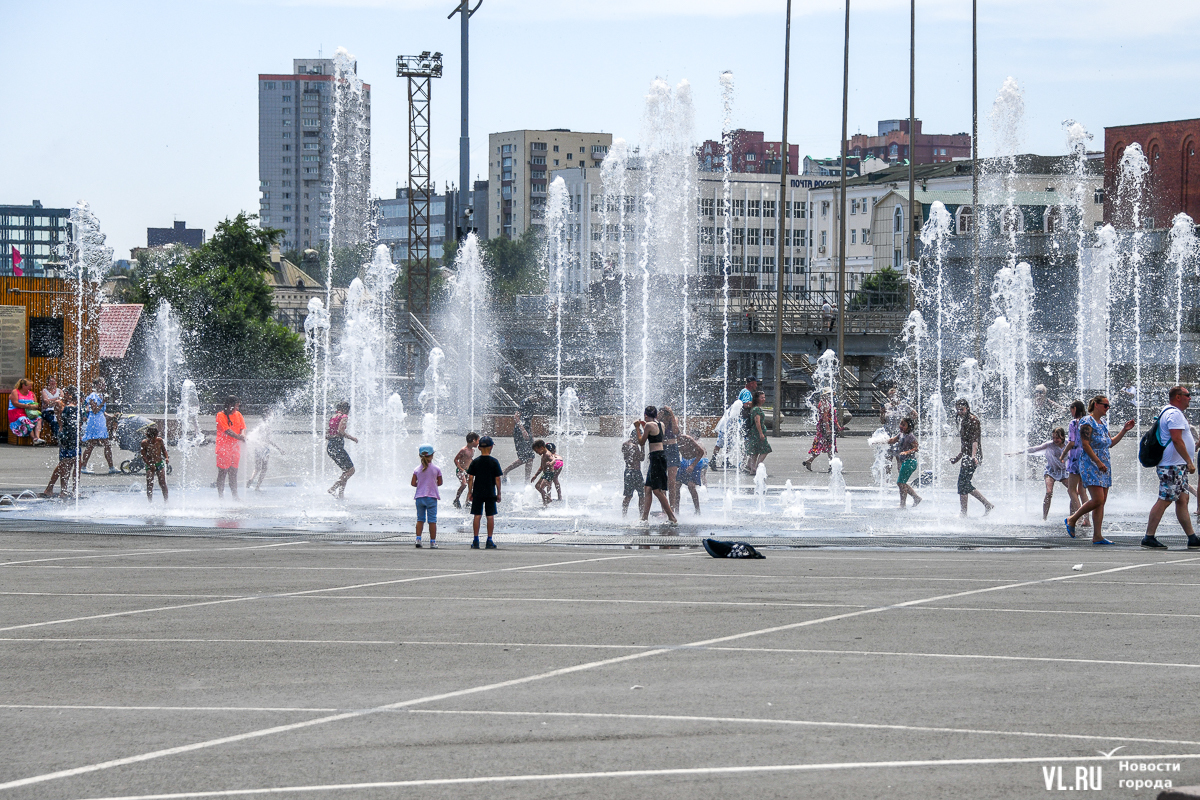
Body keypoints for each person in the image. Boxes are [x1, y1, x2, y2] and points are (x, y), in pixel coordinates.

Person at [1064, 395, 1136, 544]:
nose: (1107, 409)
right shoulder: (1086, 421)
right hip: (1091, 464)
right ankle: (1072, 519)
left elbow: (1109, 443)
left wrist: (1124, 430)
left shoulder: (1102, 423)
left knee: (1101, 502)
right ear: (1096, 405)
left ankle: (1097, 536)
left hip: (1104, 464)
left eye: (1108, 406)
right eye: (1105, 405)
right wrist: (1097, 462)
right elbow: (1085, 444)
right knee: (1098, 499)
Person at [1141, 386, 1199, 550]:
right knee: (1165, 499)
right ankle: (1148, 537)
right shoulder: (1174, 414)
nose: (1190, 398)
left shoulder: (1172, 413)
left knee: (1182, 500)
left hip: (1176, 465)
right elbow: (1176, 439)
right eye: (1188, 395)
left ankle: (1192, 537)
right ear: (1178, 397)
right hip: (1172, 466)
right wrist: (1189, 461)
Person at [1007, 428, 1069, 521]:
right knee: (1048, 493)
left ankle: (1075, 515)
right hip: (1050, 471)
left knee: (1074, 493)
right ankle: (1044, 518)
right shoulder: (1049, 444)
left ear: (1063, 437)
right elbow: (1034, 449)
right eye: (1053, 438)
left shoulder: (1069, 444)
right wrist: (1018, 452)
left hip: (1063, 472)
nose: (1055, 440)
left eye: (1057, 438)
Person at [949, 398, 995, 517]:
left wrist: (974, 456)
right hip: (967, 456)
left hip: (973, 456)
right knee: (963, 483)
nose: (960, 412)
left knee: (963, 483)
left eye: (962, 409)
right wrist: (957, 458)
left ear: (967, 408)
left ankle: (968, 511)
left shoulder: (973, 420)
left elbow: (974, 441)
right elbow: (965, 444)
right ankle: (984, 505)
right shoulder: (964, 420)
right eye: (958, 409)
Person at [634, 406, 678, 524]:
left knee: (657, 490)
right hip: (659, 456)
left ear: (646, 415)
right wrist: (644, 427)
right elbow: (654, 436)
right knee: (647, 488)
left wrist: (638, 428)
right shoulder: (660, 424)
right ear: (656, 415)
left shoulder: (649, 425)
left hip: (656, 458)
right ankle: (644, 519)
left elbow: (641, 442)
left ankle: (672, 517)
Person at [40, 386, 79, 498]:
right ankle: (53, 488)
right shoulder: (59, 403)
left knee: (69, 462)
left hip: (70, 433)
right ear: (66, 394)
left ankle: (55, 488)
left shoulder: (69, 404)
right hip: (63, 432)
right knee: (63, 462)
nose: (71, 397)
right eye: (70, 395)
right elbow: (62, 418)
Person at [466, 435, 503, 549]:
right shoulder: (494, 462)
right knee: (490, 516)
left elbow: (471, 477)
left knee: (477, 515)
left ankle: (476, 540)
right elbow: (497, 478)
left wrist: (469, 492)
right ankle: (489, 540)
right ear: (491, 447)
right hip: (490, 492)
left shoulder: (475, 462)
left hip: (477, 492)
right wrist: (499, 492)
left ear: (479, 448)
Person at [1064, 400, 1091, 529]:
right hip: (1086, 456)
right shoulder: (1088, 421)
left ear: (1074, 409)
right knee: (1082, 490)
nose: (1070, 412)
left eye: (1071, 409)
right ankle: (1087, 519)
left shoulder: (1074, 423)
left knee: (1071, 490)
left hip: (1075, 457)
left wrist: (1063, 454)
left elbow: (1072, 442)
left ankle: (1078, 516)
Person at [79, 379, 116, 473]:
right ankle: (83, 467)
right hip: (95, 421)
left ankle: (111, 467)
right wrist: (103, 402)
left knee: (105, 444)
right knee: (93, 443)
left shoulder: (102, 395)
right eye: (101, 384)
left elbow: (102, 411)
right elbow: (95, 411)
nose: (103, 386)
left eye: (104, 384)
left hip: (100, 421)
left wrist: (112, 417)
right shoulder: (93, 396)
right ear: (96, 385)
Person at [411, 443, 443, 548]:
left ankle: (418, 540)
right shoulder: (436, 469)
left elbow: (412, 483)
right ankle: (433, 542)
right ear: (432, 455)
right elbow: (440, 482)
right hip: (432, 497)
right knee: (432, 520)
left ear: (420, 455)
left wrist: (420, 484)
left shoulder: (416, 470)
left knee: (420, 519)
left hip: (420, 497)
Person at [325, 400, 358, 499]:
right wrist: (353, 438)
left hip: (331, 447)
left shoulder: (333, 417)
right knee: (351, 470)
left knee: (346, 471)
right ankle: (333, 488)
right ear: (346, 409)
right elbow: (340, 430)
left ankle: (341, 495)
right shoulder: (343, 417)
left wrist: (332, 437)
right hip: (337, 446)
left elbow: (327, 434)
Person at [803, 388, 840, 472]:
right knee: (828, 446)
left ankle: (811, 461)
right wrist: (827, 429)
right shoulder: (824, 404)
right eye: (829, 394)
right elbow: (825, 417)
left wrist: (836, 425)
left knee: (825, 446)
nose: (830, 396)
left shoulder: (825, 403)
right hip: (825, 428)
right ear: (825, 395)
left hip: (825, 427)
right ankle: (831, 465)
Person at [888, 416, 922, 509]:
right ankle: (916, 497)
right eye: (901, 424)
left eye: (904, 425)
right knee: (902, 482)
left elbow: (916, 447)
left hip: (910, 462)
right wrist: (879, 441)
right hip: (906, 462)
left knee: (901, 483)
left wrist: (906, 452)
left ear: (909, 427)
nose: (901, 426)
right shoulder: (901, 434)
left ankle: (903, 504)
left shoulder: (910, 436)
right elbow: (892, 440)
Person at [245, 416, 285, 493]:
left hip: (257, 448)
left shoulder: (259, 426)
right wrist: (279, 449)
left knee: (257, 468)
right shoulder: (267, 427)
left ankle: (251, 478)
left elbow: (256, 438)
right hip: (265, 449)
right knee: (264, 468)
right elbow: (268, 440)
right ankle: (257, 486)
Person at [880, 387, 913, 476]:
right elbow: (882, 421)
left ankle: (901, 479)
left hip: (900, 436)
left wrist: (908, 426)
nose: (892, 397)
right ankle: (886, 481)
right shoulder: (886, 406)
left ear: (898, 395)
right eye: (890, 395)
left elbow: (915, 414)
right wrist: (882, 413)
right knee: (888, 458)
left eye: (893, 395)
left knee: (900, 458)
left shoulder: (903, 406)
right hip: (888, 435)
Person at [502, 408, 535, 483]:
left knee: (530, 458)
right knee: (523, 458)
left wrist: (532, 435)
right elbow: (516, 416)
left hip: (527, 434)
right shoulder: (525, 403)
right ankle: (504, 471)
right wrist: (523, 431)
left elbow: (529, 422)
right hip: (520, 434)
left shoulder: (533, 406)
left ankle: (527, 481)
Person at [8, 378, 44, 444]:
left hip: (28, 412)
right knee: (25, 420)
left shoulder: (31, 393)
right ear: (23, 385)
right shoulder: (15, 392)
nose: (31, 387)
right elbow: (15, 403)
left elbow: (36, 405)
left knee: (39, 419)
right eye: (29, 386)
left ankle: (37, 437)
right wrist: (27, 406)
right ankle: (34, 438)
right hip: (16, 412)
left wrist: (34, 406)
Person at [660, 406, 682, 511]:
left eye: (668, 414)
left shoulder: (674, 419)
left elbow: (675, 431)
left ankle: (672, 508)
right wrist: (659, 420)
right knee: (662, 481)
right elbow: (658, 434)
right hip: (662, 449)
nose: (666, 417)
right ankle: (664, 509)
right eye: (665, 414)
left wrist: (672, 415)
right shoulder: (659, 421)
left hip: (672, 449)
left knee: (672, 482)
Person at [678, 441, 709, 515]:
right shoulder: (672, 439)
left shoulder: (687, 439)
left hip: (696, 462)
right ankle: (676, 511)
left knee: (691, 486)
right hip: (684, 462)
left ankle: (697, 510)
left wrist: (692, 465)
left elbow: (702, 452)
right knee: (676, 485)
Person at [140, 425, 169, 503]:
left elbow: (164, 450)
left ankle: (166, 501)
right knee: (150, 483)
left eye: (154, 438)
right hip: (150, 464)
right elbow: (143, 455)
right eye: (151, 438)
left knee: (162, 482)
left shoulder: (159, 440)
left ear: (157, 435)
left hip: (159, 463)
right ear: (147, 436)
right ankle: (150, 502)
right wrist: (149, 465)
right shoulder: (144, 443)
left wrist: (166, 457)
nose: (152, 440)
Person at [621, 426, 645, 518]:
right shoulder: (635, 446)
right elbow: (642, 458)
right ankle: (641, 516)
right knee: (642, 494)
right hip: (635, 472)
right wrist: (642, 447)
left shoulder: (625, 444)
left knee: (628, 495)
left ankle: (624, 516)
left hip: (627, 472)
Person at [746, 391, 772, 473]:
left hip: (754, 432)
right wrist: (761, 433)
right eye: (762, 397)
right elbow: (757, 422)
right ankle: (757, 467)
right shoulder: (756, 409)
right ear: (757, 399)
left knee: (756, 451)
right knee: (766, 449)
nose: (763, 399)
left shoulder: (755, 408)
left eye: (764, 397)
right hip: (757, 432)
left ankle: (753, 468)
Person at [452, 432, 480, 509]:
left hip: (468, 470)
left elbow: (470, 459)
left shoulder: (473, 450)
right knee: (464, 484)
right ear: (473, 440)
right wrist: (460, 468)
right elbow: (455, 459)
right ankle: (456, 500)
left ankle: (467, 502)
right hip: (460, 470)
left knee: (472, 485)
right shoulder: (464, 450)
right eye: (478, 440)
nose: (478, 443)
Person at [40, 376, 62, 442]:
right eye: (51, 381)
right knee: (54, 420)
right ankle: (58, 438)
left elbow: (62, 400)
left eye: (54, 381)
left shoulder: (59, 390)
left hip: (58, 410)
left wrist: (50, 402)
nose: (53, 382)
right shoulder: (44, 391)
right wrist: (57, 399)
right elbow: (46, 401)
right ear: (48, 382)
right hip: (47, 411)